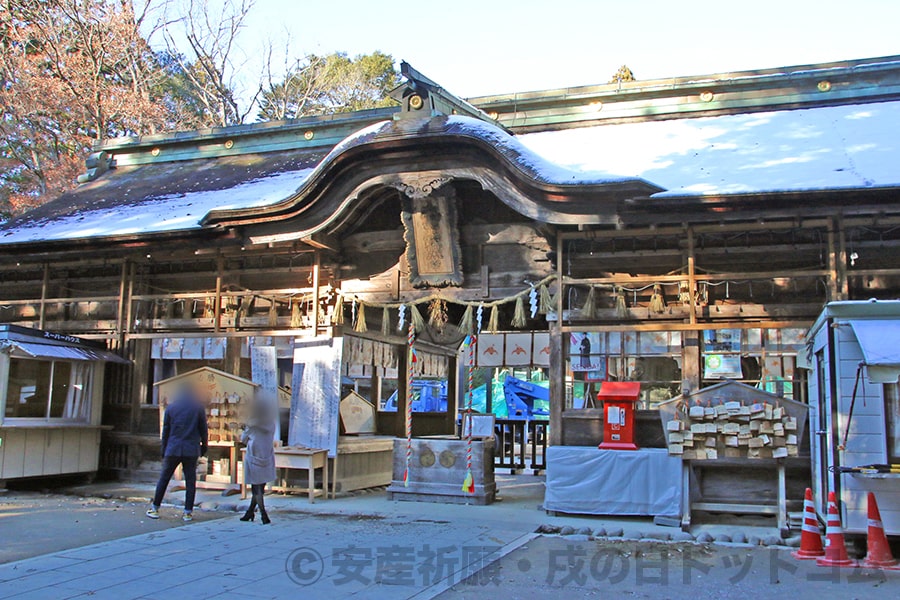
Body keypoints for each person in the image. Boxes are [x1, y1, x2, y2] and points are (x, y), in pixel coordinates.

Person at [146, 380, 208, 522]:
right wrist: (204, 446)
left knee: (164, 478)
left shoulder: (171, 408)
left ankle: (155, 507)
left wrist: (163, 449)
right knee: (190, 481)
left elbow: (166, 431)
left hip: (173, 447)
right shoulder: (198, 408)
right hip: (191, 448)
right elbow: (203, 430)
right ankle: (187, 512)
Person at [240, 396, 277, 524]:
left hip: (254, 457)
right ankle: (250, 512)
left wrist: (244, 428)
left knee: (256, 488)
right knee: (260, 487)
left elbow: (243, 439)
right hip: (267, 457)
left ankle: (263, 514)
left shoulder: (252, 424)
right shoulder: (271, 424)